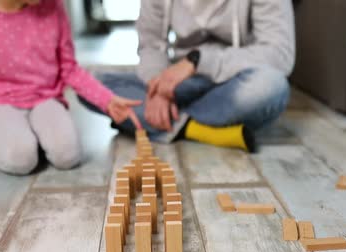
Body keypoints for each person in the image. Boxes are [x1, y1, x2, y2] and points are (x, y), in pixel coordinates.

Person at [0, 0, 142, 175]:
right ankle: (20, 138)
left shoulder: (53, 6)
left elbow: (69, 68)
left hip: (45, 97)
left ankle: (34, 137)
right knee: (21, 160)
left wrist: (107, 100)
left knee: (67, 156)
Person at [83, 0, 295, 152]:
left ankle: (157, 124)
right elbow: (151, 45)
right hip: (180, 83)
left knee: (271, 85)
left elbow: (279, 54)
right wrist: (158, 88)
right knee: (89, 84)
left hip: (236, 78)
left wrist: (197, 61)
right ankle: (197, 129)